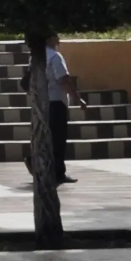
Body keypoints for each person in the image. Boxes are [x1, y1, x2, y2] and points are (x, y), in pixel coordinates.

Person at [41, 34, 84, 184]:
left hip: (42, 104)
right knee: (58, 139)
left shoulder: (35, 58)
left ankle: (43, 169)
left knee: (46, 138)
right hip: (57, 103)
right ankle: (58, 173)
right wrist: (78, 99)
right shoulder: (55, 57)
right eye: (55, 37)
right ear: (49, 39)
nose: (58, 40)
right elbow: (64, 80)